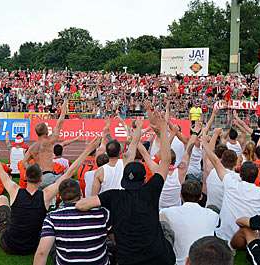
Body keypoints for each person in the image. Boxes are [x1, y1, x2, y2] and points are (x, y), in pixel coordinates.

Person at [76, 108, 176, 265]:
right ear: (143, 179)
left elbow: (82, 204)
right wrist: (163, 130)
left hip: (127, 259)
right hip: (157, 257)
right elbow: (165, 161)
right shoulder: (152, 189)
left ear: (124, 179)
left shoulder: (113, 196)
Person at [0, 135, 100, 255]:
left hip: (9, 245)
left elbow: (0, 169)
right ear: (41, 179)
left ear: (26, 177)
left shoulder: (15, 190)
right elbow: (69, 173)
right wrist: (88, 150)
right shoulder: (45, 195)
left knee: (2, 199)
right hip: (33, 246)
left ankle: (1, 222)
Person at [201, 137, 260, 244]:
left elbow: (216, 162)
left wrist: (205, 144)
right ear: (256, 176)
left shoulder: (231, 183)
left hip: (224, 236)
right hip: (249, 239)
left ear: (240, 173)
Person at [33, 178, 111, 265]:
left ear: (60, 197)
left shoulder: (52, 217)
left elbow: (42, 253)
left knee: (51, 244)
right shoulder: (103, 213)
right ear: (81, 192)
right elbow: (115, 238)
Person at [159, 180, 219, 265]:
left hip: (179, 261)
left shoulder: (167, 213)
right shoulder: (213, 214)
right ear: (201, 197)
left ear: (180, 195)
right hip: (203, 260)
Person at [25, 100, 68, 189]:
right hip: (49, 176)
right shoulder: (50, 141)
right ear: (47, 131)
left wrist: (32, 173)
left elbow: (24, 161)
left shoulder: (32, 147)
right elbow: (60, 123)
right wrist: (64, 107)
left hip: (39, 177)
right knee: (70, 181)